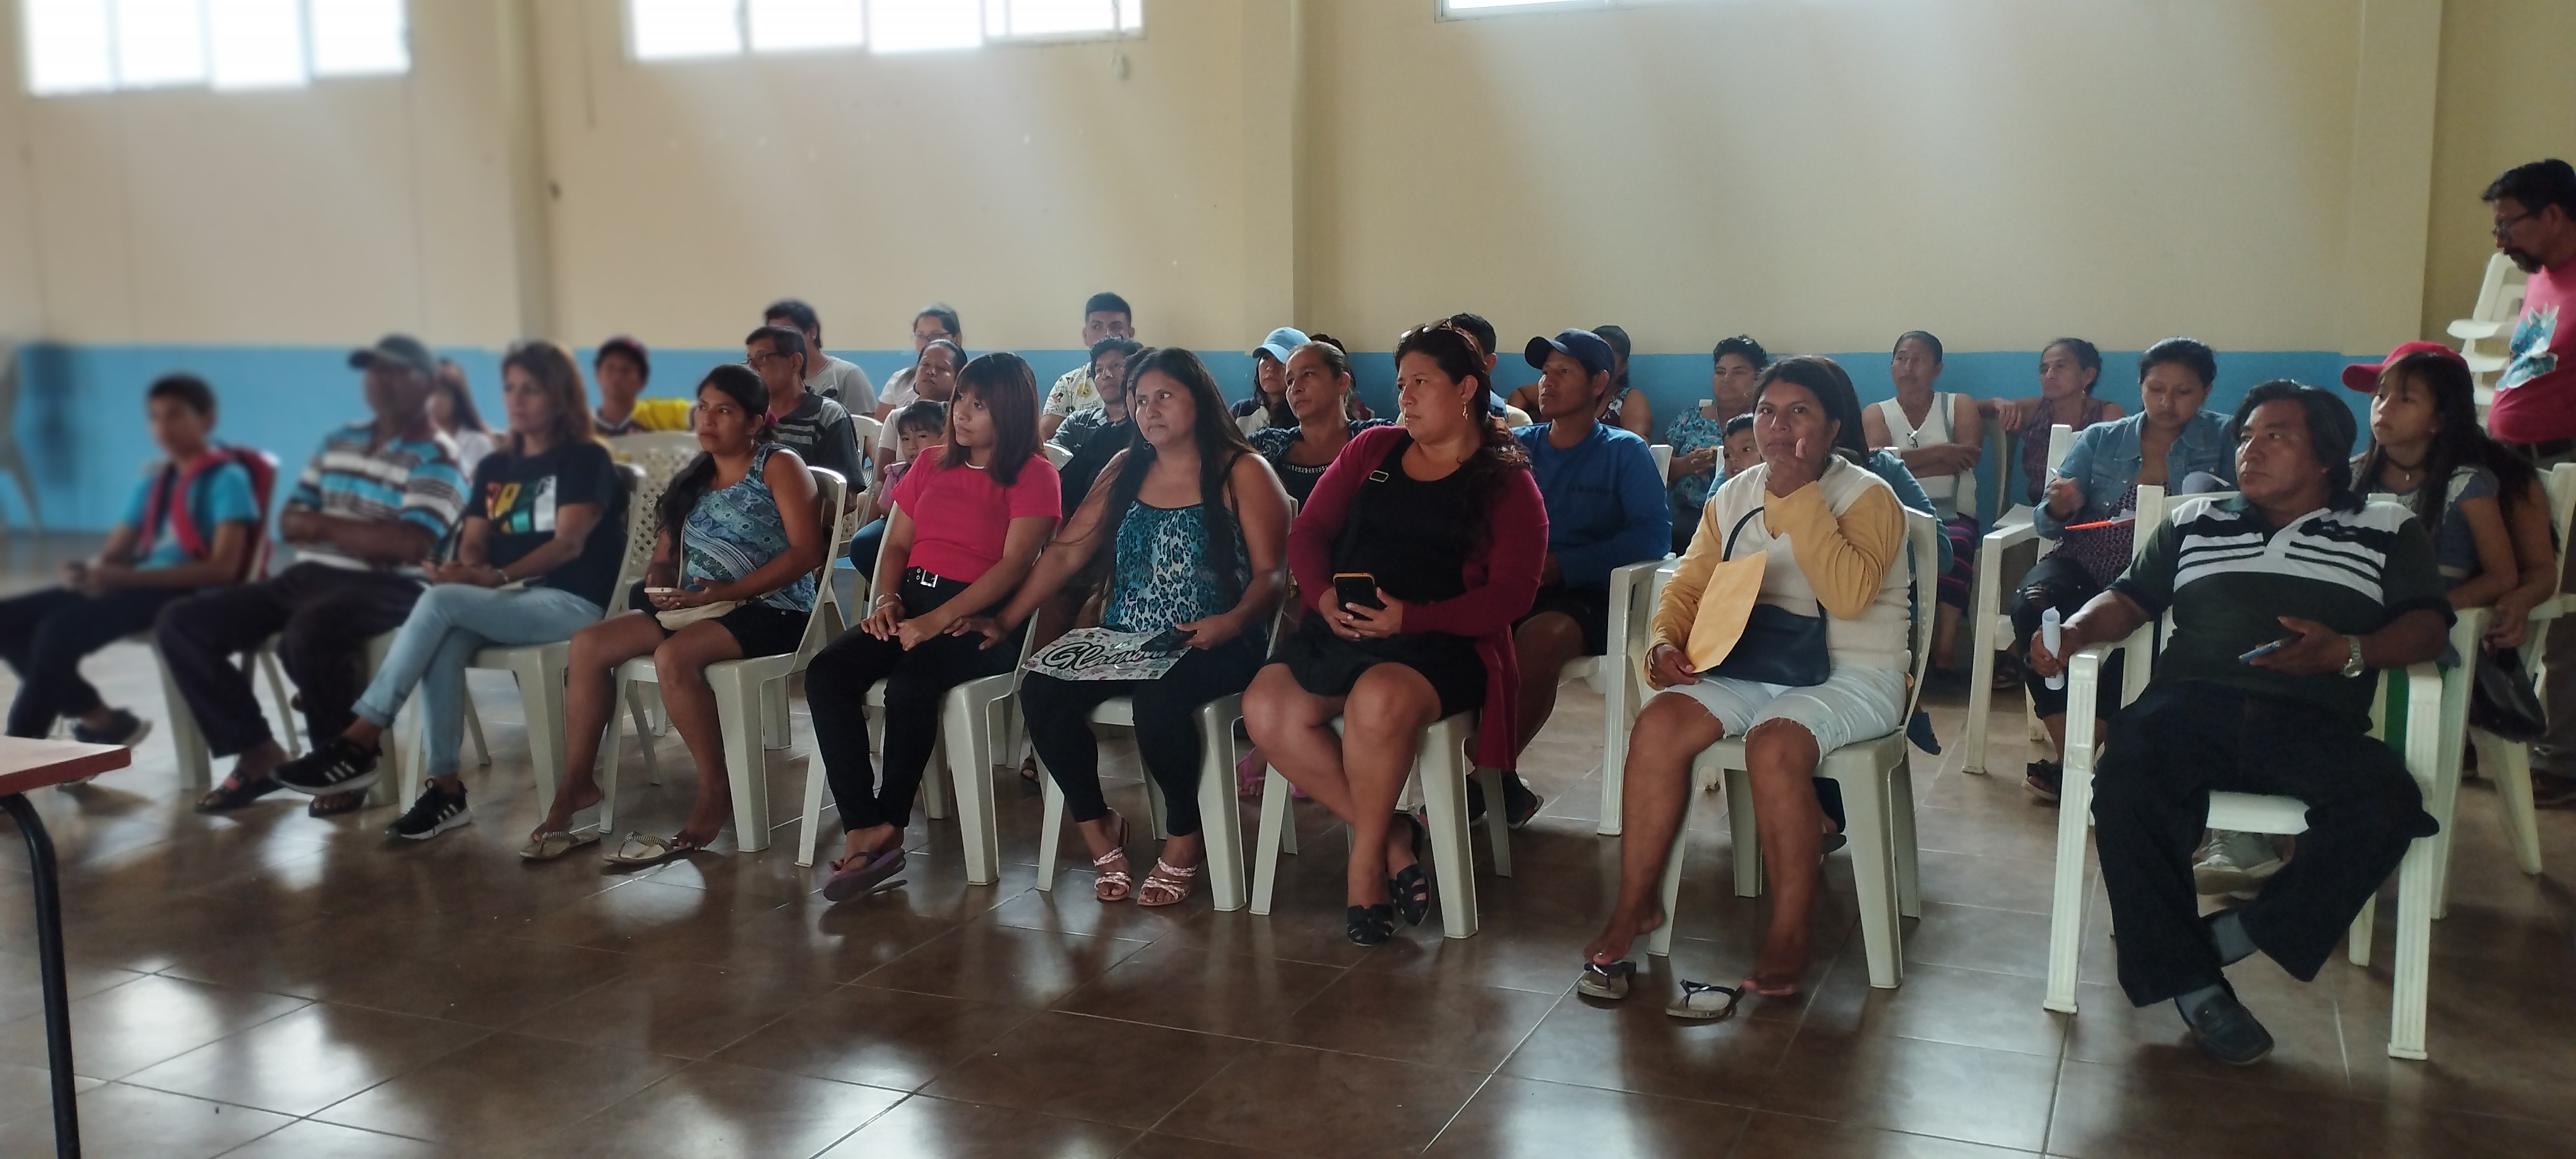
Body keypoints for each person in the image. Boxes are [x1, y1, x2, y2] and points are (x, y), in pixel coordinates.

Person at [2027, 381, 2448, 1066]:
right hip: (2189, 707)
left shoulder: (2387, 527)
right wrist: (2074, 631)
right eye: (2247, 436)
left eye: (2276, 435)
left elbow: (2428, 627)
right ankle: (2197, 987)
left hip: (2313, 716)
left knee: (2388, 803)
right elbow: (2129, 599)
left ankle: (2246, 931)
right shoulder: (2197, 519)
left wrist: (2347, 651)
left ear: (2326, 456)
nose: (2251, 449)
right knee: (2128, 785)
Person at [1578, 355, 1908, 1009]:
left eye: (1799, 412)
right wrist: (1665, 641)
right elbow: (1690, 582)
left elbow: (1848, 597)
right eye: (1766, 411)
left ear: (1833, 425)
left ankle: (1791, 931)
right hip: (1755, 662)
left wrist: (1800, 496)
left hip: (1856, 670)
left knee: (1774, 745)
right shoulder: (1733, 493)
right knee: (1660, 723)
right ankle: (1637, 901)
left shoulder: (1868, 496)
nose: (1778, 426)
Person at [1241, 321, 1545, 946]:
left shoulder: (1506, 480)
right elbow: (1309, 532)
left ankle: (1364, 870)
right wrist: (1323, 596)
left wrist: (1414, 618)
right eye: (1402, 382)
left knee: (1377, 699)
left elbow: (1512, 596)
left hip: (1443, 643)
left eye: (1422, 383)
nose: (1405, 396)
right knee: (1265, 706)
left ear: (1466, 389)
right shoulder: (1373, 450)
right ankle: (1396, 839)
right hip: (1345, 627)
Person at [962, 348, 1291, 906]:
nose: (1148, 410)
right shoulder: (1124, 467)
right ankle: (1100, 828)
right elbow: (1066, 553)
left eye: (1164, 396)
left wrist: (1230, 622)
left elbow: (1272, 575)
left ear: (1199, 399)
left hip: (1215, 638)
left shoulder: (1242, 470)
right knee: (1041, 690)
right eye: (1139, 400)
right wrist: (1006, 619)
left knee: (1159, 703)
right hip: (1126, 639)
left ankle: (1185, 836)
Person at [268, 340, 630, 837]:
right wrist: (465, 568)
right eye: (509, 388)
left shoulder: (585, 458)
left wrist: (495, 578)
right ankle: (445, 790)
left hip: (575, 604)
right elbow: (476, 538)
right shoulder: (497, 467)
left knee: (439, 603)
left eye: (531, 389)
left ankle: (358, 740)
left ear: (560, 395)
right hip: (514, 599)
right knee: (445, 631)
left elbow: (569, 542)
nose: (516, 400)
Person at [524, 364, 825, 863]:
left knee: (675, 658)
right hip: (697, 606)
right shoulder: (695, 476)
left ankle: (715, 790)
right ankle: (577, 782)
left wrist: (729, 590)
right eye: (703, 407)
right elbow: (664, 556)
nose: (707, 419)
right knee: (589, 644)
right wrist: (659, 583)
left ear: (755, 422)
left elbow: (806, 552)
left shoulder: (778, 465)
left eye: (724, 411)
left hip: (772, 608)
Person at [163, 335, 467, 818]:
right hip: (309, 575)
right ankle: (258, 752)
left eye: (394, 371)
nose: (380, 381)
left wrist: (324, 525)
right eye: (374, 371)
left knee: (310, 630)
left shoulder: (440, 456)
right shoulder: (338, 441)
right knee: (182, 622)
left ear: (429, 383)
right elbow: (289, 521)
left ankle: (344, 761)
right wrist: (365, 535)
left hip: (393, 586)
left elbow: (409, 544)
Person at [805, 353, 1061, 898]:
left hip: (979, 616)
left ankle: (891, 822)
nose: (961, 413)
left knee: (911, 685)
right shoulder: (930, 463)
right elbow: (896, 543)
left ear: (1012, 412)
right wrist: (887, 600)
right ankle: (862, 821)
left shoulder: (1035, 475)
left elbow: (1014, 564)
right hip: (913, 601)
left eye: (979, 405)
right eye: (961, 399)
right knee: (827, 672)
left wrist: (935, 622)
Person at [2015, 337, 2234, 802]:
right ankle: (2070, 759)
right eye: (2156, 389)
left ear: (2206, 391)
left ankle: (2078, 763)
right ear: (2141, 387)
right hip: (2084, 560)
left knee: (2141, 631)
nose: (2167, 403)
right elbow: (2046, 522)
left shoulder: (2227, 438)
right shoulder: (2102, 438)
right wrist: (2059, 506)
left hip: (2162, 575)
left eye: (2183, 392)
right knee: (2034, 608)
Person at [0, 375, 265, 747]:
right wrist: (87, 572)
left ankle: (19, 747)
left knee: (57, 631)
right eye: (154, 417)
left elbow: (224, 569)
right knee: (7, 620)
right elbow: (115, 552)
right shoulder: (155, 481)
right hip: (136, 581)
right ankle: (101, 720)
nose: (163, 427)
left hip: (185, 590)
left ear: (207, 418)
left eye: (175, 415)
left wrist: (125, 577)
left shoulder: (227, 478)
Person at [1504, 329, 1670, 825]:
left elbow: (1652, 537)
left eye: (1563, 372)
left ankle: (1486, 775)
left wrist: (1565, 566)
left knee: (1544, 636)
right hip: (1518, 587)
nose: (1547, 383)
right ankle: (1496, 782)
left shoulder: (1624, 451)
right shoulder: (1518, 448)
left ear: (1600, 383)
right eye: (1544, 373)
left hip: (1594, 598)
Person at [2479, 161, 2576, 807]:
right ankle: (2482, 726)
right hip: (2514, 462)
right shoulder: (2541, 276)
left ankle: (2560, 762)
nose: (2500, 241)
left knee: (2563, 619)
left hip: (2565, 463)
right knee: (2492, 594)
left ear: (2554, 215)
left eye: (2508, 224)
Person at [1863, 331, 1983, 682]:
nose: (1908, 367)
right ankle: (1888, 653)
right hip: (1896, 513)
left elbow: (1969, 456)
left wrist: (1903, 463)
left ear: (1937, 368)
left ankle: (1943, 651)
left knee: (1957, 544)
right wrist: (1944, 453)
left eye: (1918, 360)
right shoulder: (1877, 412)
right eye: (1901, 359)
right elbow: (1877, 466)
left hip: (1953, 513)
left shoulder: (1958, 405)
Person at [1983, 338, 2129, 507]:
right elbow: (1968, 409)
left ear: (2087, 375)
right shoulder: (2034, 410)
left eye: (2061, 366)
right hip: (2041, 511)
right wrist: (1995, 403)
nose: (2050, 375)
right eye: (2044, 369)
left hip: (2093, 511)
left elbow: (2117, 474)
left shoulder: (2107, 413)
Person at [1249, 336, 1390, 504]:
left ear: (1342, 382)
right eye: (1290, 381)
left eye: (1307, 374)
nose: (1295, 388)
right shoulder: (1265, 445)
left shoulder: (1377, 438)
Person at [1664, 336, 1766, 554]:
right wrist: (1685, 465)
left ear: (1758, 379)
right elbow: (1657, 467)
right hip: (1693, 518)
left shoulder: (1766, 422)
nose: (1727, 379)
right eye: (1720, 372)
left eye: (1738, 372)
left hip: (1754, 514)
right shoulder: (1690, 419)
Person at [746, 324, 866, 497]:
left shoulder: (828, 416)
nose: (751, 368)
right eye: (749, 360)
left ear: (794, 362)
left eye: (762, 358)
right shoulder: (751, 417)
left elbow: (845, 498)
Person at [848, 399, 948, 581]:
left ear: (944, 436)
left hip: (937, 533)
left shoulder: (952, 473)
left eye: (922, 436)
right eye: (905, 439)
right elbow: (886, 509)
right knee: (863, 544)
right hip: (899, 528)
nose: (912, 445)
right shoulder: (898, 472)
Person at [1053, 336, 1143, 509]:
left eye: (1117, 366)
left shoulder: (1145, 427)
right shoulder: (1077, 423)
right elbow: (1054, 463)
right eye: (1099, 370)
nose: (1106, 375)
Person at [1038, 292, 1137, 442]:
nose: (1107, 335)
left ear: (1130, 333)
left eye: (1116, 327)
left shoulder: (1145, 378)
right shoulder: (1068, 384)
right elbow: (1046, 437)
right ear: (1086, 335)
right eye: (1097, 327)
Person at [765, 297, 877, 415]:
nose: (778, 342)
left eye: (786, 333)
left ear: (812, 332)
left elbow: (864, 425)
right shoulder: (773, 380)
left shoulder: (846, 375)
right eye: (773, 335)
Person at [878, 338, 965, 461]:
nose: (930, 372)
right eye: (925, 364)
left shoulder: (962, 421)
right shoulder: (896, 418)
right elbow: (883, 472)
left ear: (958, 379)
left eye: (942, 368)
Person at [1443, 312, 1534, 427]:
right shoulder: (1424, 413)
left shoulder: (1515, 422)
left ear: (1489, 362)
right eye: (1443, 353)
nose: (1449, 362)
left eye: (1464, 354)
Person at [876, 303, 960, 420]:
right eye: (920, 336)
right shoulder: (899, 380)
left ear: (956, 339)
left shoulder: (966, 383)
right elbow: (879, 426)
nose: (926, 342)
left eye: (936, 335)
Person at [431, 359, 496, 482]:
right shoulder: (419, 443)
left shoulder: (478, 443)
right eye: (430, 392)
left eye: (442, 393)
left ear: (457, 399)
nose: (433, 400)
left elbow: (491, 488)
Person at [1233, 326, 1308, 434]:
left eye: (1282, 361)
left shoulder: (1304, 417)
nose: (1270, 368)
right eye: (1266, 358)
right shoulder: (1241, 411)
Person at [592, 336, 650, 436]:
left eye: (626, 369)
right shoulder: (582, 429)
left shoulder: (655, 424)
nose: (617, 376)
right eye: (611, 367)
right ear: (597, 375)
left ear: (642, 382)